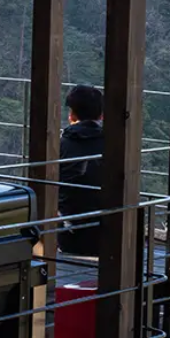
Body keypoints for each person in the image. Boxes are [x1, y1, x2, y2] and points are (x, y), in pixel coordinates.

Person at [57, 85, 104, 257]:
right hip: (106, 232)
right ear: (101, 115)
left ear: (71, 115)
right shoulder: (114, 144)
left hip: (67, 232)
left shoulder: (60, 145)